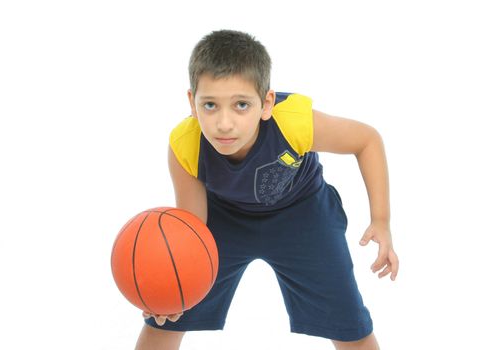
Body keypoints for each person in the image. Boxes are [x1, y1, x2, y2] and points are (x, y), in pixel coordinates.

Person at [135, 29, 399, 350]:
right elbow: (195, 228)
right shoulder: (185, 145)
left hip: (304, 216)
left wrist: (381, 219)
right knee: (165, 320)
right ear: (192, 102)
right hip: (224, 221)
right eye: (210, 105)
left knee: (349, 325)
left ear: (267, 103)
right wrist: (171, 289)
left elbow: (366, 140)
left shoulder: (294, 123)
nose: (224, 123)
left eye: (241, 105)